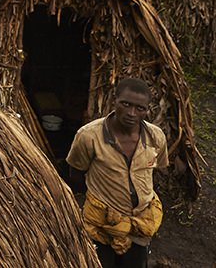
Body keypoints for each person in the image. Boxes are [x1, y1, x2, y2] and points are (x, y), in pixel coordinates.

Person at [66, 78, 171, 268]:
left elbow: (153, 171)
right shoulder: (89, 136)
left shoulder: (156, 137)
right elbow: (76, 174)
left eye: (140, 108)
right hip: (102, 223)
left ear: (147, 109)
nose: (131, 113)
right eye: (126, 104)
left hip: (141, 223)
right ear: (114, 100)